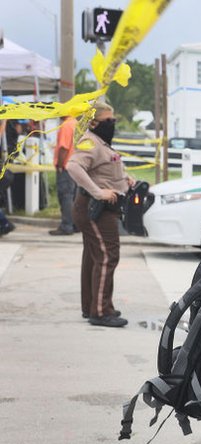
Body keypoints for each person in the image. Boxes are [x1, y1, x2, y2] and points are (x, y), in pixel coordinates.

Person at [65, 102, 132, 328]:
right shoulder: (90, 142)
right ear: (94, 122)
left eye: (113, 120)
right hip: (95, 209)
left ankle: (93, 306)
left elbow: (105, 168)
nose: (112, 124)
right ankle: (101, 312)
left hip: (99, 209)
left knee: (94, 257)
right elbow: (73, 167)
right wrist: (98, 192)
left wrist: (126, 180)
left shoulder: (99, 142)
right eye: (108, 121)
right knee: (106, 256)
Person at [51, 115, 79, 236]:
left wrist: (61, 165)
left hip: (66, 166)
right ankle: (75, 225)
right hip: (76, 166)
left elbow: (64, 147)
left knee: (66, 196)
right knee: (74, 197)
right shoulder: (77, 124)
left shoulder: (66, 126)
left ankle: (66, 226)